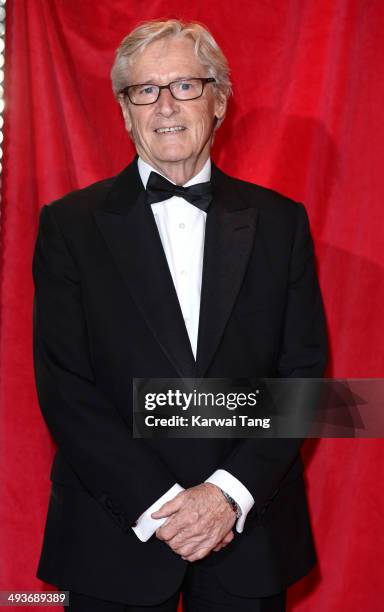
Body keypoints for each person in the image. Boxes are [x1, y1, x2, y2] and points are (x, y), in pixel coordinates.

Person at [32, 18, 327, 612]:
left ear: (218, 99)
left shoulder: (281, 222)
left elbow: (303, 380)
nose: (165, 105)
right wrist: (163, 504)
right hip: (112, 533)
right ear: (124, 111)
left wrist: (225, 496)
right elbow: (65, 389)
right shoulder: (68, 226)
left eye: (185, 86)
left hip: (248, 531)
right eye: (145, 90)